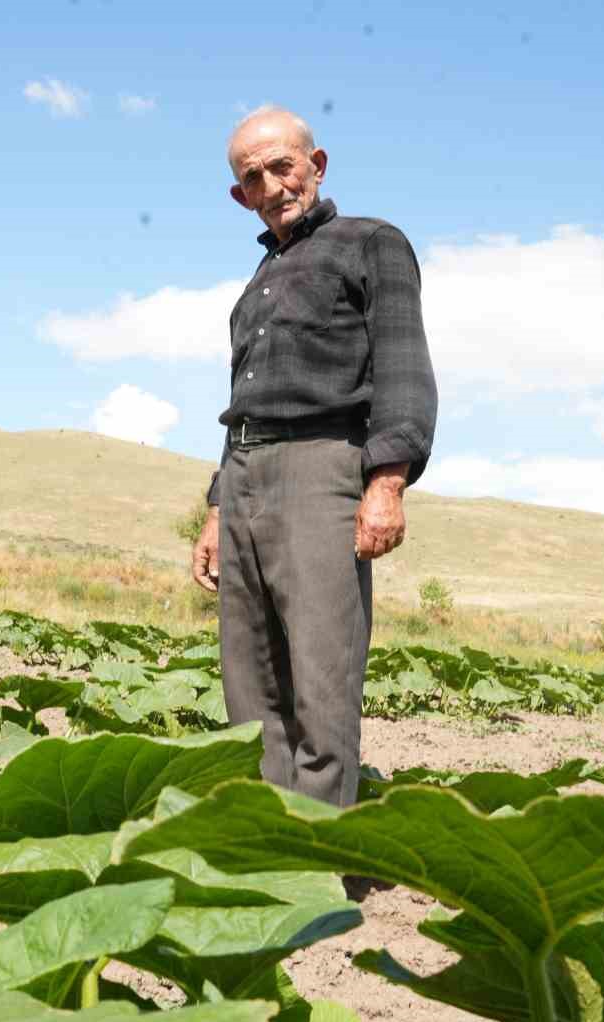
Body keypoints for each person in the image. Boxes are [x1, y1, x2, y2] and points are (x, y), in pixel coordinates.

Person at [191, 105, 437, 808]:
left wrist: (387, 481)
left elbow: (403, 367)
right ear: (240, 196)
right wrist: (216, 509)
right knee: (250, 679)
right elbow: (247, 397)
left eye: (283, 166)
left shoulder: (372, 243)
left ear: (317, 165)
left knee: (323, 675)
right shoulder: (256, 285)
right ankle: (274, 848)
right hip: (243, 477)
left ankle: (323, 858)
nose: (271, 185)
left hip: (322, 468)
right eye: (252, 177)